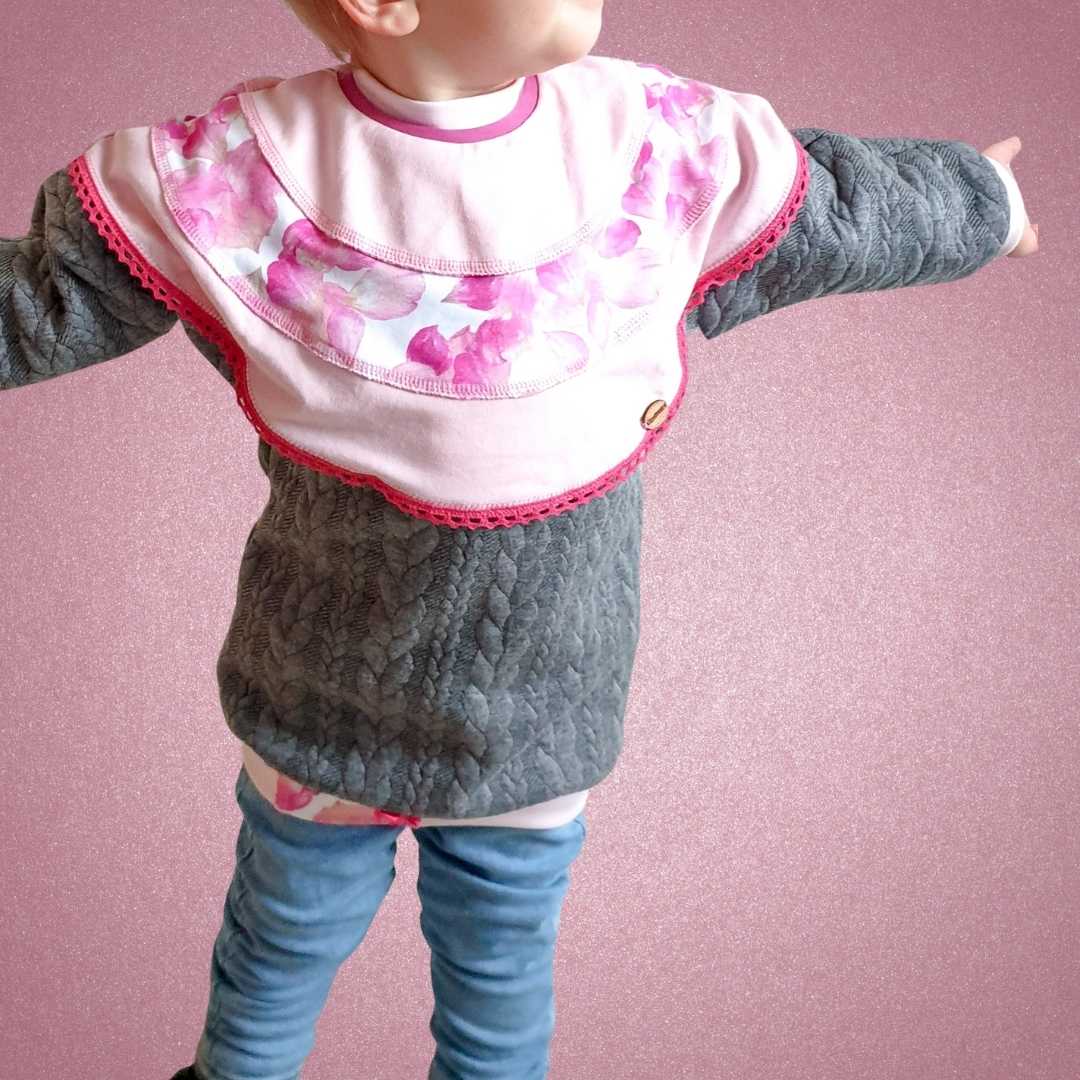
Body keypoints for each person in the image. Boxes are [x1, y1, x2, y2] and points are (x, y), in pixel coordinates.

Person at [0, 1, 1038, 1078]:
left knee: (480, 982)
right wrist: (983, 206)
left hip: (520, 725)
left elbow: (826, 207)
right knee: (284, 956)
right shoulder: (241, 175)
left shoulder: (642, 139)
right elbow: (50, 294)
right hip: (338, 710)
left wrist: (978, 202)